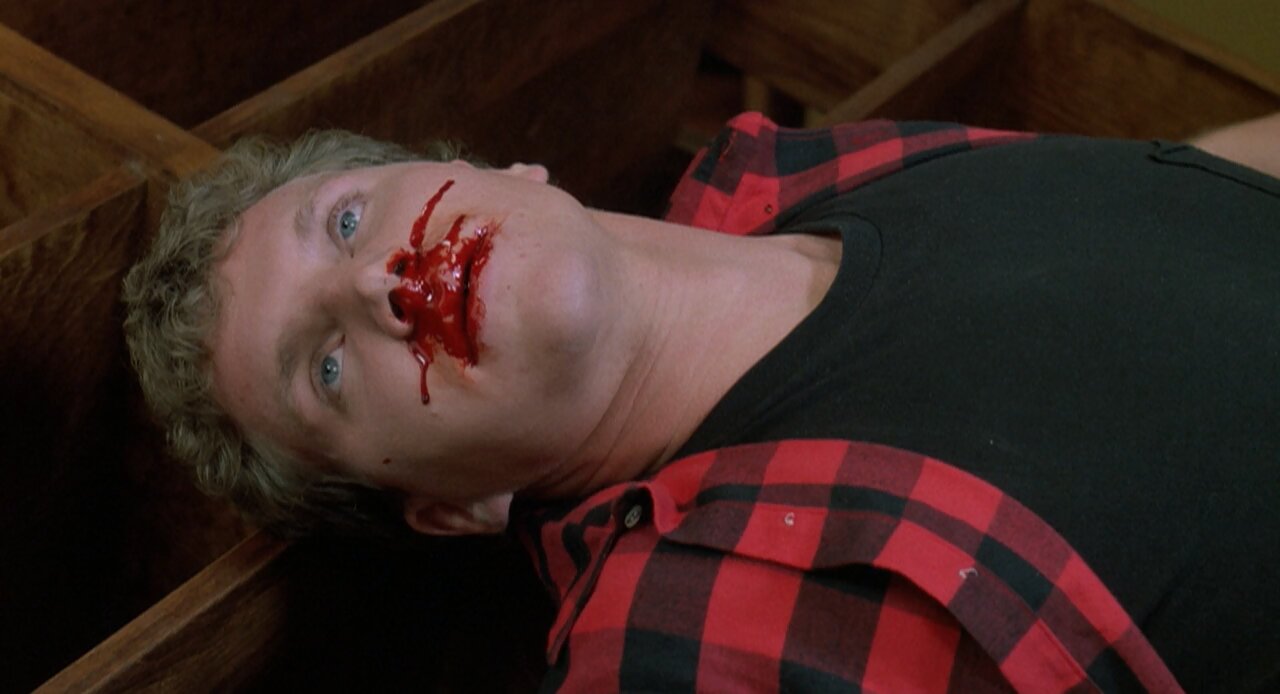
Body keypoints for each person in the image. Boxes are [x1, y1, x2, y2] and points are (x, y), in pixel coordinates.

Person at [122, 111, 1280, 692]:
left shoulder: (791, 174)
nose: (378, 280)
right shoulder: (672, 651)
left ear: (489, 171)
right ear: (451, 508)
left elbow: (1194, 192)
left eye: (344, 220)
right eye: (324, 366)